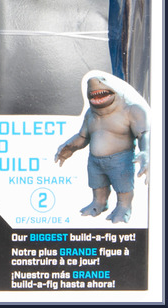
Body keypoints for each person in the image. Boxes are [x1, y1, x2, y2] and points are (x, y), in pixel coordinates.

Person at [54, 73, 150, 223]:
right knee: (97, 185)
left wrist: (146, 152)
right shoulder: (90, 114)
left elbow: (144, 134)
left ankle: (124, 207)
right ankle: (99, 203)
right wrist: (69, 146)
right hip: (94, 161)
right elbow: (83, 136)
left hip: (121, 159)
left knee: (123, 187)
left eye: (103, 81)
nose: (93, 84)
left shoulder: (131, 111)